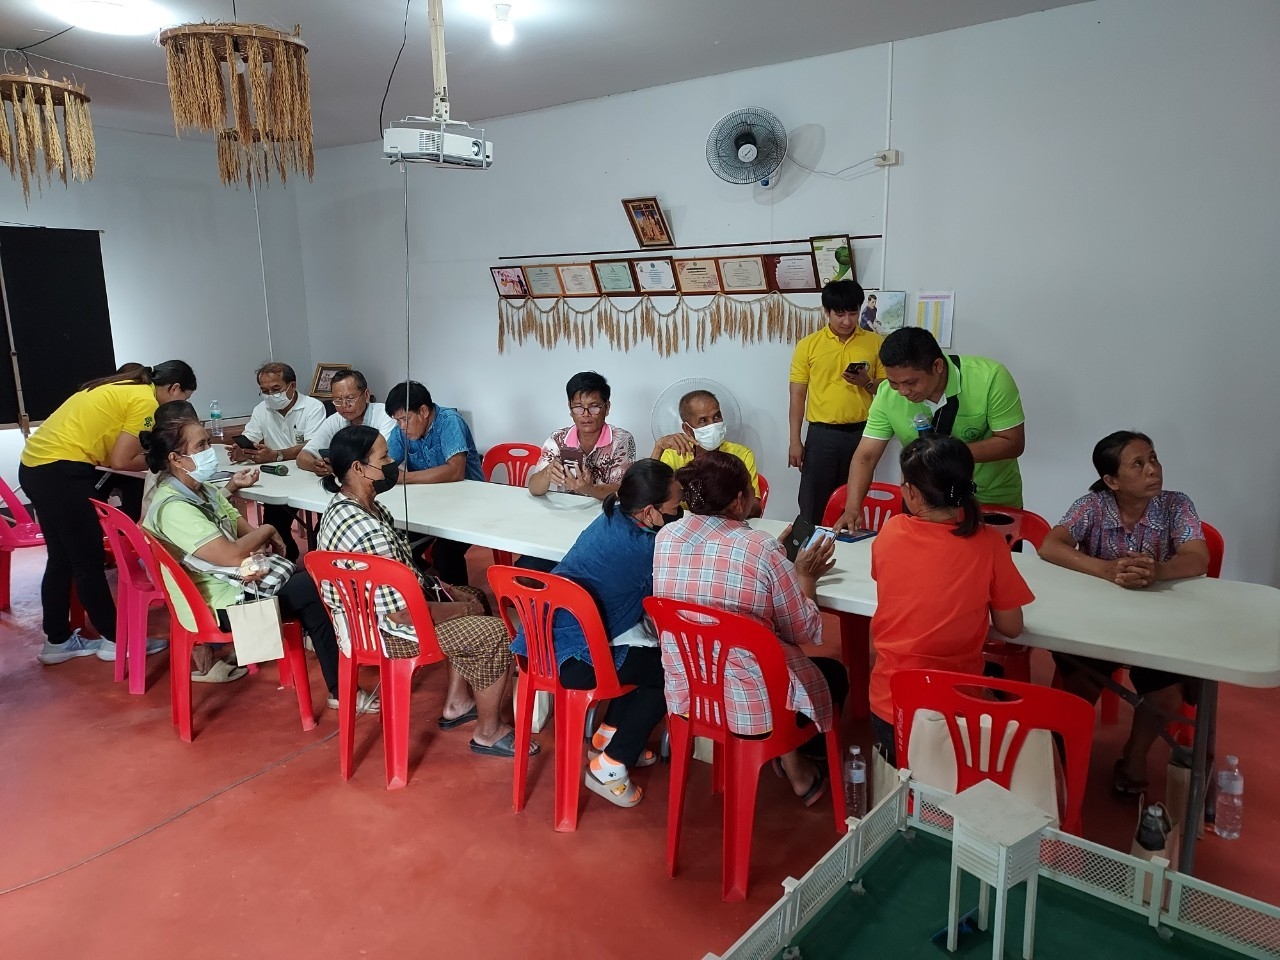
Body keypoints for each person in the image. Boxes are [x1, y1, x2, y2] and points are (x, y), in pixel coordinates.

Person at [316, 425, 531, 757]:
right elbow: (402, 614)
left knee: (472, 594)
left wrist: (450, 593)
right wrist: (463, 609)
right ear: (359, 468)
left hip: (364, 618)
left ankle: (457, 703)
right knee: (496, 632)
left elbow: (407, 575)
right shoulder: (366, 530)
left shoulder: (350, 506)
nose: (392, 464)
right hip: (385, 632)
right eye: (384, 458)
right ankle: (489, 732)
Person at [652, 451, 849, 806]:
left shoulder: (666, 536)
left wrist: (776, 561)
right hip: (750, 704)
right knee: (834, 674)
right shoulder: (761, 548)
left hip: (690, 694)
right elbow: (803, 632)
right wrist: (803, 576)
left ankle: (790, 761)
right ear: (740, 500)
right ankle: (798, 766)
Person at [140, 417, 358, 705]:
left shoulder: (201, 490)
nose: (209, 451)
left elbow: (239, 526)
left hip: (233, 582)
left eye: (208, 442)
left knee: (312, 581)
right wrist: (267, 530)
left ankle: (342, 686)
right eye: (201, 445)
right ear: (176, 459)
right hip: (217, 604)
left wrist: (257, 538)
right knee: (316, 584)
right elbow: (232, 553)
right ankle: (344, 684)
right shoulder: (174, 508)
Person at [1038, 430, 1209, 795]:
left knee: (1167, 694)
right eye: (1138, 464)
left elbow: (1198, 557)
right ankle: (1066, 761)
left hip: (1159, 623)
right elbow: (1050, 545)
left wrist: (1158, 571)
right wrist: (1104, 569)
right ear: (1111, 481)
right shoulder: (1093, 505)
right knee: (1080, 681)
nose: (1153, 469)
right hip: (1098, 622)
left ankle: (1134, 755)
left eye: (1153, 459)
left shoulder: (1176, 505)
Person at [512, 459, 681, 807]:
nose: (680, 511)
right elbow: (665, 597)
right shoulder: (643, 549)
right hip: (570, 657)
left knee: (646, 651)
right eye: (675, 506)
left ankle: (608, 734)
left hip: (541, 640)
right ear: (649, 512)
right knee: (670, 670)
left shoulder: (612, 514)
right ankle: (611, 765)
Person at [867, 435, 1035, 765]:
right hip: (957, 706)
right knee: (948, 782)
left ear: (912, 493)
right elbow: (1011, 627)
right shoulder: (989, 542)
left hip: (891, 701)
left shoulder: (891, 532)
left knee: (902, 784)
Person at [20, 361, 196, 665]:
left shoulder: (123, 387)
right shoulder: (144, 399)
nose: (177, 408)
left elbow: (109, 449)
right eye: (183, 398)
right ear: (174, 388)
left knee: (62, 559)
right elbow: (121, 461)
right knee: (87, 560)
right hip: (62, 472)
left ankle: (57, 641)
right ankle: (117, 640)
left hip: (36, 468)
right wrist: (168, 461)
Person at [833, 327, 1026, 533]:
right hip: (925, 504)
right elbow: (866, 455)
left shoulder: (990, 378)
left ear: (937, 366)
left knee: (990, 553)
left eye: (911, 382)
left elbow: (1012, 442)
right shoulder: (887, 395)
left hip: (988, 500)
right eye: (894, 382)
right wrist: (852, 508)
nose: (903, 391)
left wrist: (942, 455)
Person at [789, 280, 885, 525]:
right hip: (822, 435)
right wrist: (795, 441)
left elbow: (888, 390)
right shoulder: (808, 345)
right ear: (826, 311)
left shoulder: (875, 343)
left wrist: (866, 382)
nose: (847, 321)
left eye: (853, 313)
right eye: (840, 314)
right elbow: (797, 395)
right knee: (812, 501)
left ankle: (844, 547)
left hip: (862, 434)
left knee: (852, 502)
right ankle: (808, 546)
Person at [383, 380, 483, 586]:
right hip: (427, 505)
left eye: (405, 419)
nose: (402, 427)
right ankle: (432, 586)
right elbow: (387, 463)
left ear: (423, 411)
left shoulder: (449, 422)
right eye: (397, 421)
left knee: (445, 552)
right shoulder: (402, 429)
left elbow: (455, 471)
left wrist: (406, 478)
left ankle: (461, 600)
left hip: (468, 504)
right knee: (394, 544)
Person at [230, 362, 327, 560]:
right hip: (278, 478)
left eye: (276, 389)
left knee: (324, 525)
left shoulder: (313, 407)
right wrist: (243, 451)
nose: (270, 395)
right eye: (264, 391)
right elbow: (250, 438)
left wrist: (276, 455)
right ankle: (287, 558)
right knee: (273, 525)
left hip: (311, 475)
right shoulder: (261, 409)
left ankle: (319, 559)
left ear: (292, 386)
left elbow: (312, 445)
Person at [528, 371, 636, 501]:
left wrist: (589, 489)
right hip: (567, 509)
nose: (586, 414)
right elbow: (533, 488)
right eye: (578, 407)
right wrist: (547, 473)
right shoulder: (558, 439)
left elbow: (623, 490)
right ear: (570, 408)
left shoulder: (621, 440)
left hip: (605, 510)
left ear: (607, 408)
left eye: (593, 407)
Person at [650, 388, 761, 500]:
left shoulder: (742, 454)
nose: (713, 425)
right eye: (703, 420)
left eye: (717, 416)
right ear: (687, 429)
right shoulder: (674, 454)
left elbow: (755, 506)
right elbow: (651, 495)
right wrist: (658, 448)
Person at [297, 369, 395, 477]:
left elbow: (379, 459)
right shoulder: (334, 420)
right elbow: (303, 456)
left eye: (350, 398)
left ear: (366, 395)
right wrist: (316, 466)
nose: (344, 405)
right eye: (338, 400)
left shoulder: (385, 415)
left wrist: (338, 468)